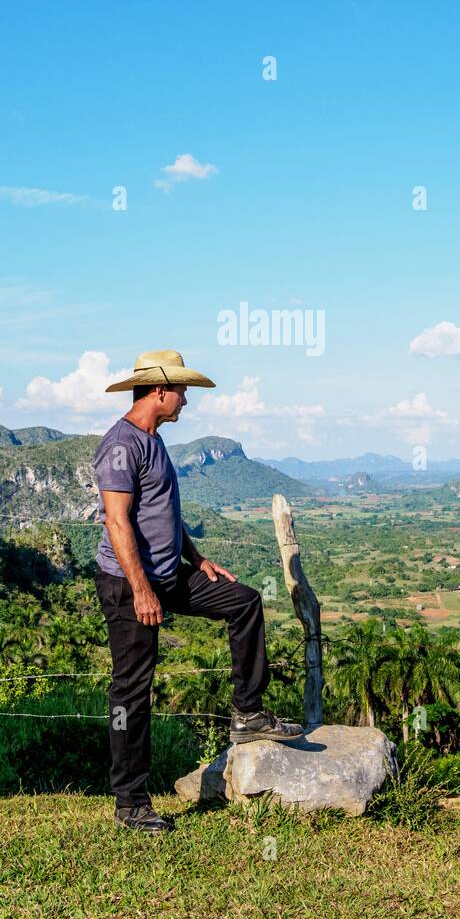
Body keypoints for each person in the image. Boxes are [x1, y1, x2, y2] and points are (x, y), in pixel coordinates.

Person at [93, 349, 304, 833]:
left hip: (169, 574)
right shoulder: (121, 444)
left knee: (244, 601)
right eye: (183, 391)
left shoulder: (154, 441)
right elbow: (118, 522)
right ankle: (130, 803)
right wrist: (143, 590)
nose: (186, 400)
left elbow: (164, 514)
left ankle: (248, 713)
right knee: (132, 688)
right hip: (130, 584)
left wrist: (199, 560)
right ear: (160, 391)